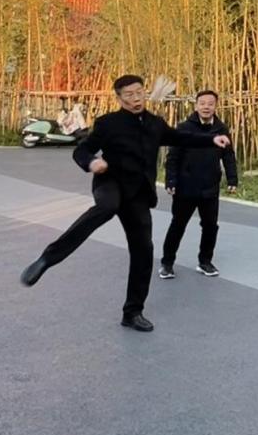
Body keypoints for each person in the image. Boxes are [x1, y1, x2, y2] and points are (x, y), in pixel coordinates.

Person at [20, 75, 230, 332]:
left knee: (144, 251)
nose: (136, 98)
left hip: (138, 194)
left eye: (139, 92)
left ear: (144, 93)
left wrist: (211, 140)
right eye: (129, 94)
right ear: (119, 98)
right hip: (110, 183)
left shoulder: (154, 124)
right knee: (106, 207)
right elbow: (82, 150)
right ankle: (47, 259)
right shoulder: (108, 123)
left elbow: (181, 137)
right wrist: (92, 162)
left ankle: (132, 312)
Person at [159, 90, 238, 280]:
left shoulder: (221, 129)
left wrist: (232, 179)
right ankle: (167, 264)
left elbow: (228, 156)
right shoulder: (184, 127)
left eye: (210, 104)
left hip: (210, 186)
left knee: (210, 226)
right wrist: (171, 180)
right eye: (202, 103)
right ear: (196, 105)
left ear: (216, 106)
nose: (206, 107)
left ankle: (205, 262)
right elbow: (173, 157)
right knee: (178, 225)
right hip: (186, 186)